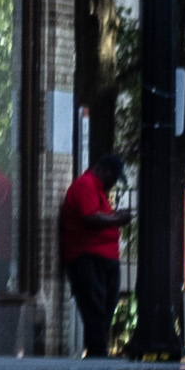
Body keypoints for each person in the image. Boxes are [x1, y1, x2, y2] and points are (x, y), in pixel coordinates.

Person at [58, 151, 127, 354]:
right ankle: (98, 352)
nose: (113, 184)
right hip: (87, 256)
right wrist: (116, 219)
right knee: (95, 306)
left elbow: (98, 215)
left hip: (103, 258)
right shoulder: (85, 185)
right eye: (113, 178)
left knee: (106, 305)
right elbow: (89, 216)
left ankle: (98, 350)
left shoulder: (97, 190)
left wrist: (114, 216)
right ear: (105, 172)